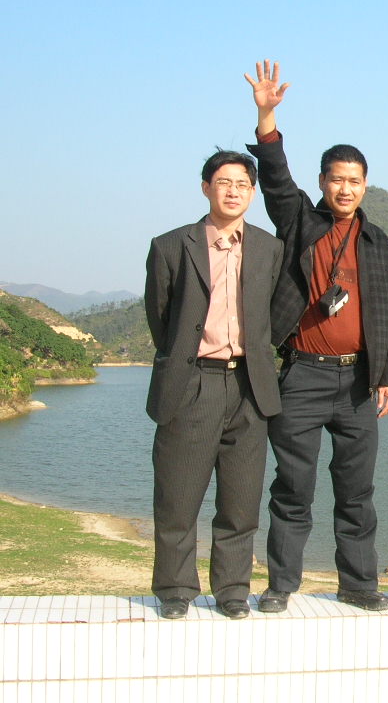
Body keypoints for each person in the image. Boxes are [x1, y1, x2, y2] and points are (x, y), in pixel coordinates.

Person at [243, 60, 388, 612]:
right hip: (303, 375)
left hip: (358, 382)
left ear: (365, 185)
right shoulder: (301, 223)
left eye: (354, 181)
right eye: (336, 179)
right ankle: (281, 585)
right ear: (323, 183)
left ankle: (358, 584)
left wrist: (386, 377)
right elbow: (276, 179)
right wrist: (267, 118)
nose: (345, 188)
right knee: (293, 486)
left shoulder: (379, 243)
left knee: (357, 492)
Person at [145, 150, 283, 620]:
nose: (232, 191)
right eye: (224, 182)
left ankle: (232, 590)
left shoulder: (268, 248)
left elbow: (273, 313)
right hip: (192, 383)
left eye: (242, 184)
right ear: (206, 187)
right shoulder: (171, 245)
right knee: (178, 496)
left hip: (249, 385)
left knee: (241, 501)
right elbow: (161, 318)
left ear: (253, 192)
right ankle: (175, 589)